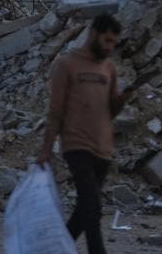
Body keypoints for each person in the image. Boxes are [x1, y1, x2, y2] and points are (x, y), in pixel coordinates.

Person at [38, 13, 128, 254]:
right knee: (93, 207)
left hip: (103, 148)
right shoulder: (67, 64)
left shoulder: (108, 67)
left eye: (113, 43)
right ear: (93, 34)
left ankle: (58, 249)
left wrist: (122, 100)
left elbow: (110, 110)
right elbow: (55, 111)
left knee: (85, 209)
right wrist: (46, 150)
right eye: (106, 41)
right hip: (76, 145)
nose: (110, 48)